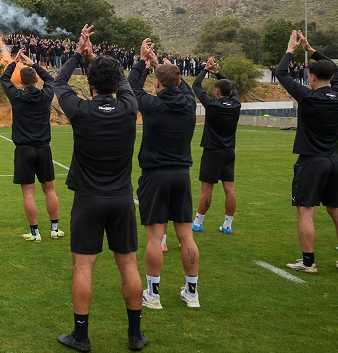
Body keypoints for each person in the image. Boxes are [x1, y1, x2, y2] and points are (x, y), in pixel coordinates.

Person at [52, 25, 147, 352]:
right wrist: (96, 60)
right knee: (129, 265)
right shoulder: (128, 109)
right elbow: (125, 82)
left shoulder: (80, 110)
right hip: (121, 200)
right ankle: (135, 336)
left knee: (83, 266)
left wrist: (80, 53)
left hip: (88, 201)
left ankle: (81, 336)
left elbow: (58, 82)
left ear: (89, 84)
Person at [128, 38, 200, 310]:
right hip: (181, 176)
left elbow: (132, 86)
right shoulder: (189, 106)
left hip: (155, 176)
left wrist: (142, 60)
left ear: (157, 84)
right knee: (186, 237)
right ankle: (191, 293)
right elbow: (182, 88)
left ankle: (153, 295)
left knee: (155, 238)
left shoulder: (152, 106)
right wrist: (160, 66)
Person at [276, 30, 338, 274]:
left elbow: (281, 73)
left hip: (311, 161)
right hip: (334, 159)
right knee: (335, 209)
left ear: (311, 77)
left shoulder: (308, 97)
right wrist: (311, 50)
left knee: (305, 211)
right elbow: (333, 68)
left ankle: (309, 262)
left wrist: (291, 48)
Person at [0, 48, 64, 242]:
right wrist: (33, 64)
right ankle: (54, 229)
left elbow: (4, 79)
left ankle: (35, 233)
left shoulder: (17, 97)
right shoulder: (45, 96)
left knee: (29, 192)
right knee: (50, 190)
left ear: (20, 82)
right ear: (36, 80)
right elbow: (52, 80)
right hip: (44, 148)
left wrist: (14, 61)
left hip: (24, 149)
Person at [191, 57, 241, 234]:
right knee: (230, 188)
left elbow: (196, 86)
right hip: (229, 151)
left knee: (207, 188)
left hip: (213, 151)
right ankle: (227, 225)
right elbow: (232, 87)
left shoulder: (212, 105)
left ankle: (197, 222)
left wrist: (205, 69)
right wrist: (217, 72)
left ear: (217, 92)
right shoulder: (236, 104)